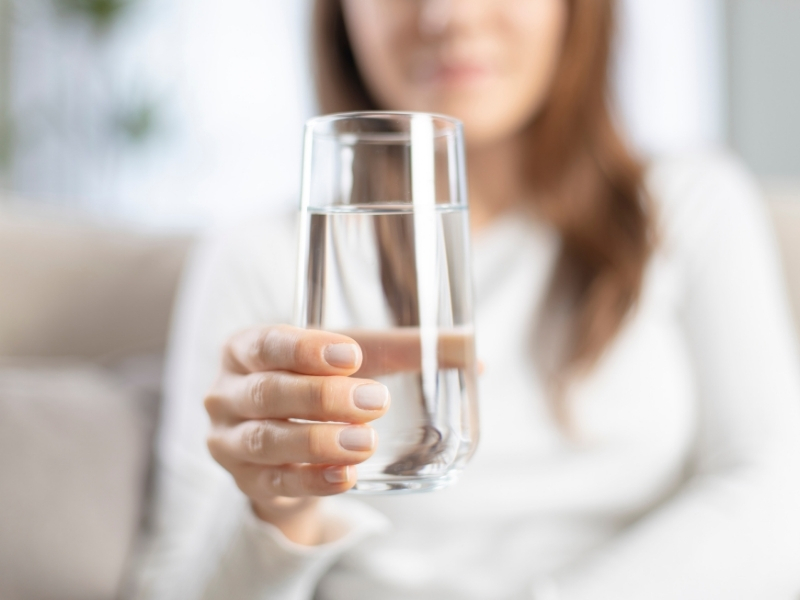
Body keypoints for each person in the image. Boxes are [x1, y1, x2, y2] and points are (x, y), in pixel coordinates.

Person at [133, 1, 800, 599]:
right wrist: (273, 513)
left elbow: (778, 503)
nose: (449, 15)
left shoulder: (687, 207)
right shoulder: (266, 256)